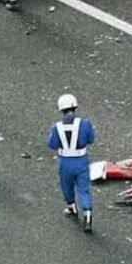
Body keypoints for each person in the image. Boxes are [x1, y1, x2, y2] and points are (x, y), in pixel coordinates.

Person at [48, 94, 95, 233]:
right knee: (84, 189)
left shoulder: (57, 127)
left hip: (65, 161)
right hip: (81, 160)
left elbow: (52, 144)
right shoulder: (85, 124)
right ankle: (87, 215)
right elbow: (91, 139)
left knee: (67, 186)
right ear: (75, 107)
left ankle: (71, 207)